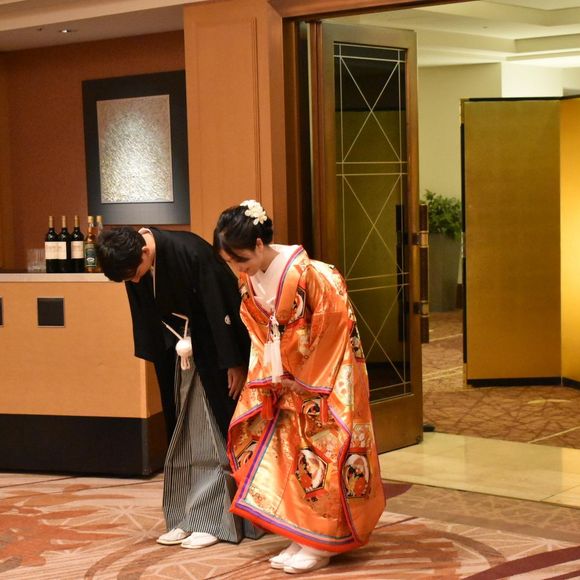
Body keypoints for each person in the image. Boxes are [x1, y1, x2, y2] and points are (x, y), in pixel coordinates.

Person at [213, 200, 385, 574]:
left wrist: (301, 376)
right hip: (283, 380)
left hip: (325, 377)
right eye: (231, 262)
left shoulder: (315, 275)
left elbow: (334, 330)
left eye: (241, 259)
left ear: (260, 244)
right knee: (289, 455)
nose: (238, 268)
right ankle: (301, 533)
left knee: (324, 454)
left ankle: (321, 541)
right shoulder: (249, 278)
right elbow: (258, 333)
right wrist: (271, 376)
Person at [97, 226, 260, 549]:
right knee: (180, 438)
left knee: (208, 436)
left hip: (211, 356)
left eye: (135, 274)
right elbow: (146, 311)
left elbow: (222, 306)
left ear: (144, 251)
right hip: (177, 356)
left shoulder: (192, 252)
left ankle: (214, 519)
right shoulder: (133, 260)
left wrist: (234, 362)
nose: (135, 281)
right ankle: (185, 516)